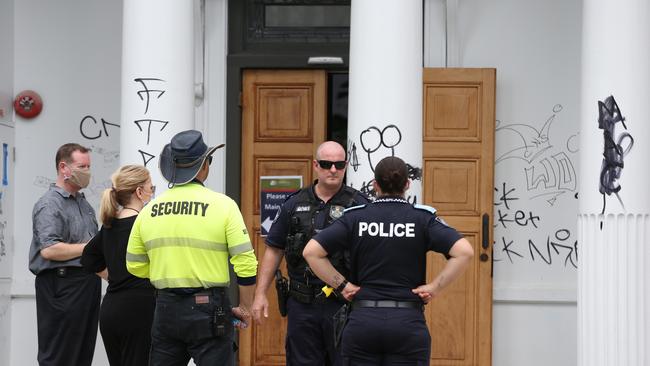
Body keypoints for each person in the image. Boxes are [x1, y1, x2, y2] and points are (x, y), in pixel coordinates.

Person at [303, 156, 475, 366]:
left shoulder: (355, 217)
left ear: (375, 185)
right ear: (407, 184)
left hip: (363, 321)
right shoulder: (422, 218)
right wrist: (434, 288)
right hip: (407, 323)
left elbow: (311, 252)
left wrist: (342, 285)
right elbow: (464, 251)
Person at [126, 129, 258, 365]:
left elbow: (134, 265)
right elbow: (246, 264)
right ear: (204, 166)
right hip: (209, 309)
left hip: (165, 308)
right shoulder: (223, 206)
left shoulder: (148, 211)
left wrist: (168, 273)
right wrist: (245, 307)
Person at [251, 141, 371, 366]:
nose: (333, 170)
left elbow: (374, 253)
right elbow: (274, 249)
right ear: (316, 165)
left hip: (344, 304)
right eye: (326, 164)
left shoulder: (360, 206)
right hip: (302, 304)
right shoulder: (294, 203)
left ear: (346, 166)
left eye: (339, 164)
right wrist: (260, 294)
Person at [28, 143, 100, 366]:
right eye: (82, 166)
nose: (87, 171)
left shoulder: (83, 203)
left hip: (87, 284)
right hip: (61, 285)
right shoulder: (50, 204)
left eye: (88, 166)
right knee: (60, 356)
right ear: (63, 168)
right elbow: (50, 249)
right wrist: (91, 248)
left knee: (81, 354)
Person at [80, 165, 156, 366]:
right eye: (151, 187)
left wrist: (112, 276)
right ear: (139, 192)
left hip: (112, 309)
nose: (152, 192)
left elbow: (88, 258)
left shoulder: (109, 226)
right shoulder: (146, 224)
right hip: (140, 309)